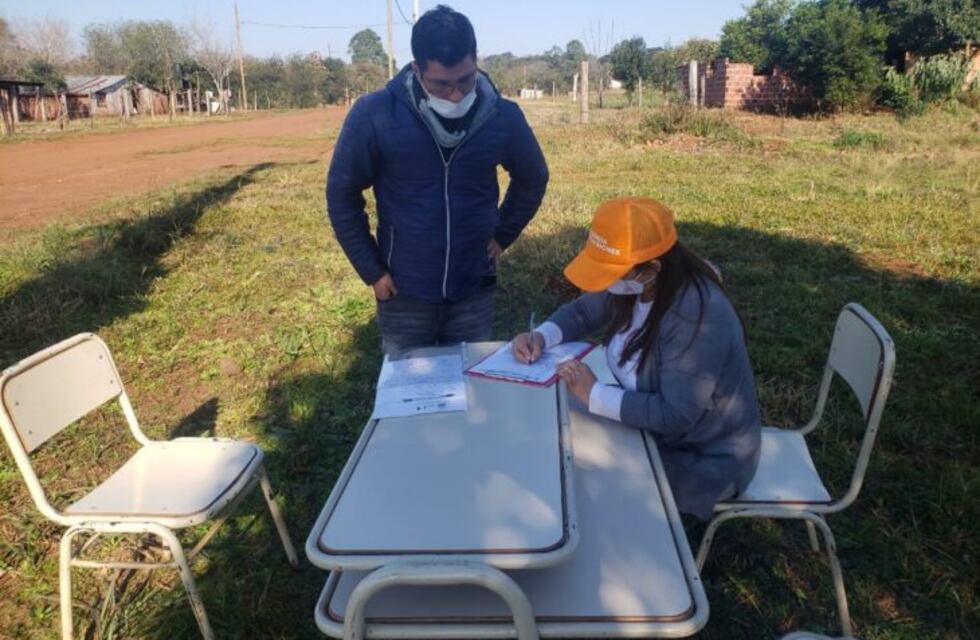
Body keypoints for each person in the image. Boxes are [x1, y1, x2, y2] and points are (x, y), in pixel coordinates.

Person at [512, 197, 761, 520]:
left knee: (578, 488)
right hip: (646, 432)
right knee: (553, 452)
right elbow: (584, 310)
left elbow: (676, 414)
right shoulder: (635, 284)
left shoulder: (698, 318)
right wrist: (542, 336)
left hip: (702, 458)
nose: (608, 282)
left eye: (613, 272)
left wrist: (594, 394)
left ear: (653, 267)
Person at [327, 5, 549, 355]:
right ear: (417, 70)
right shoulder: (376, 115)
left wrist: (502, 234)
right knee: (410, 397)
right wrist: (371, 270)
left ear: (476, 61)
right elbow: (342, 193)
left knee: (471, 390)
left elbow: (533, 177)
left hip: (473, 290)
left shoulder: (502, 117)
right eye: (441, 84)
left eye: (465, 79)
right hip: (403, 291)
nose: (457, 94)